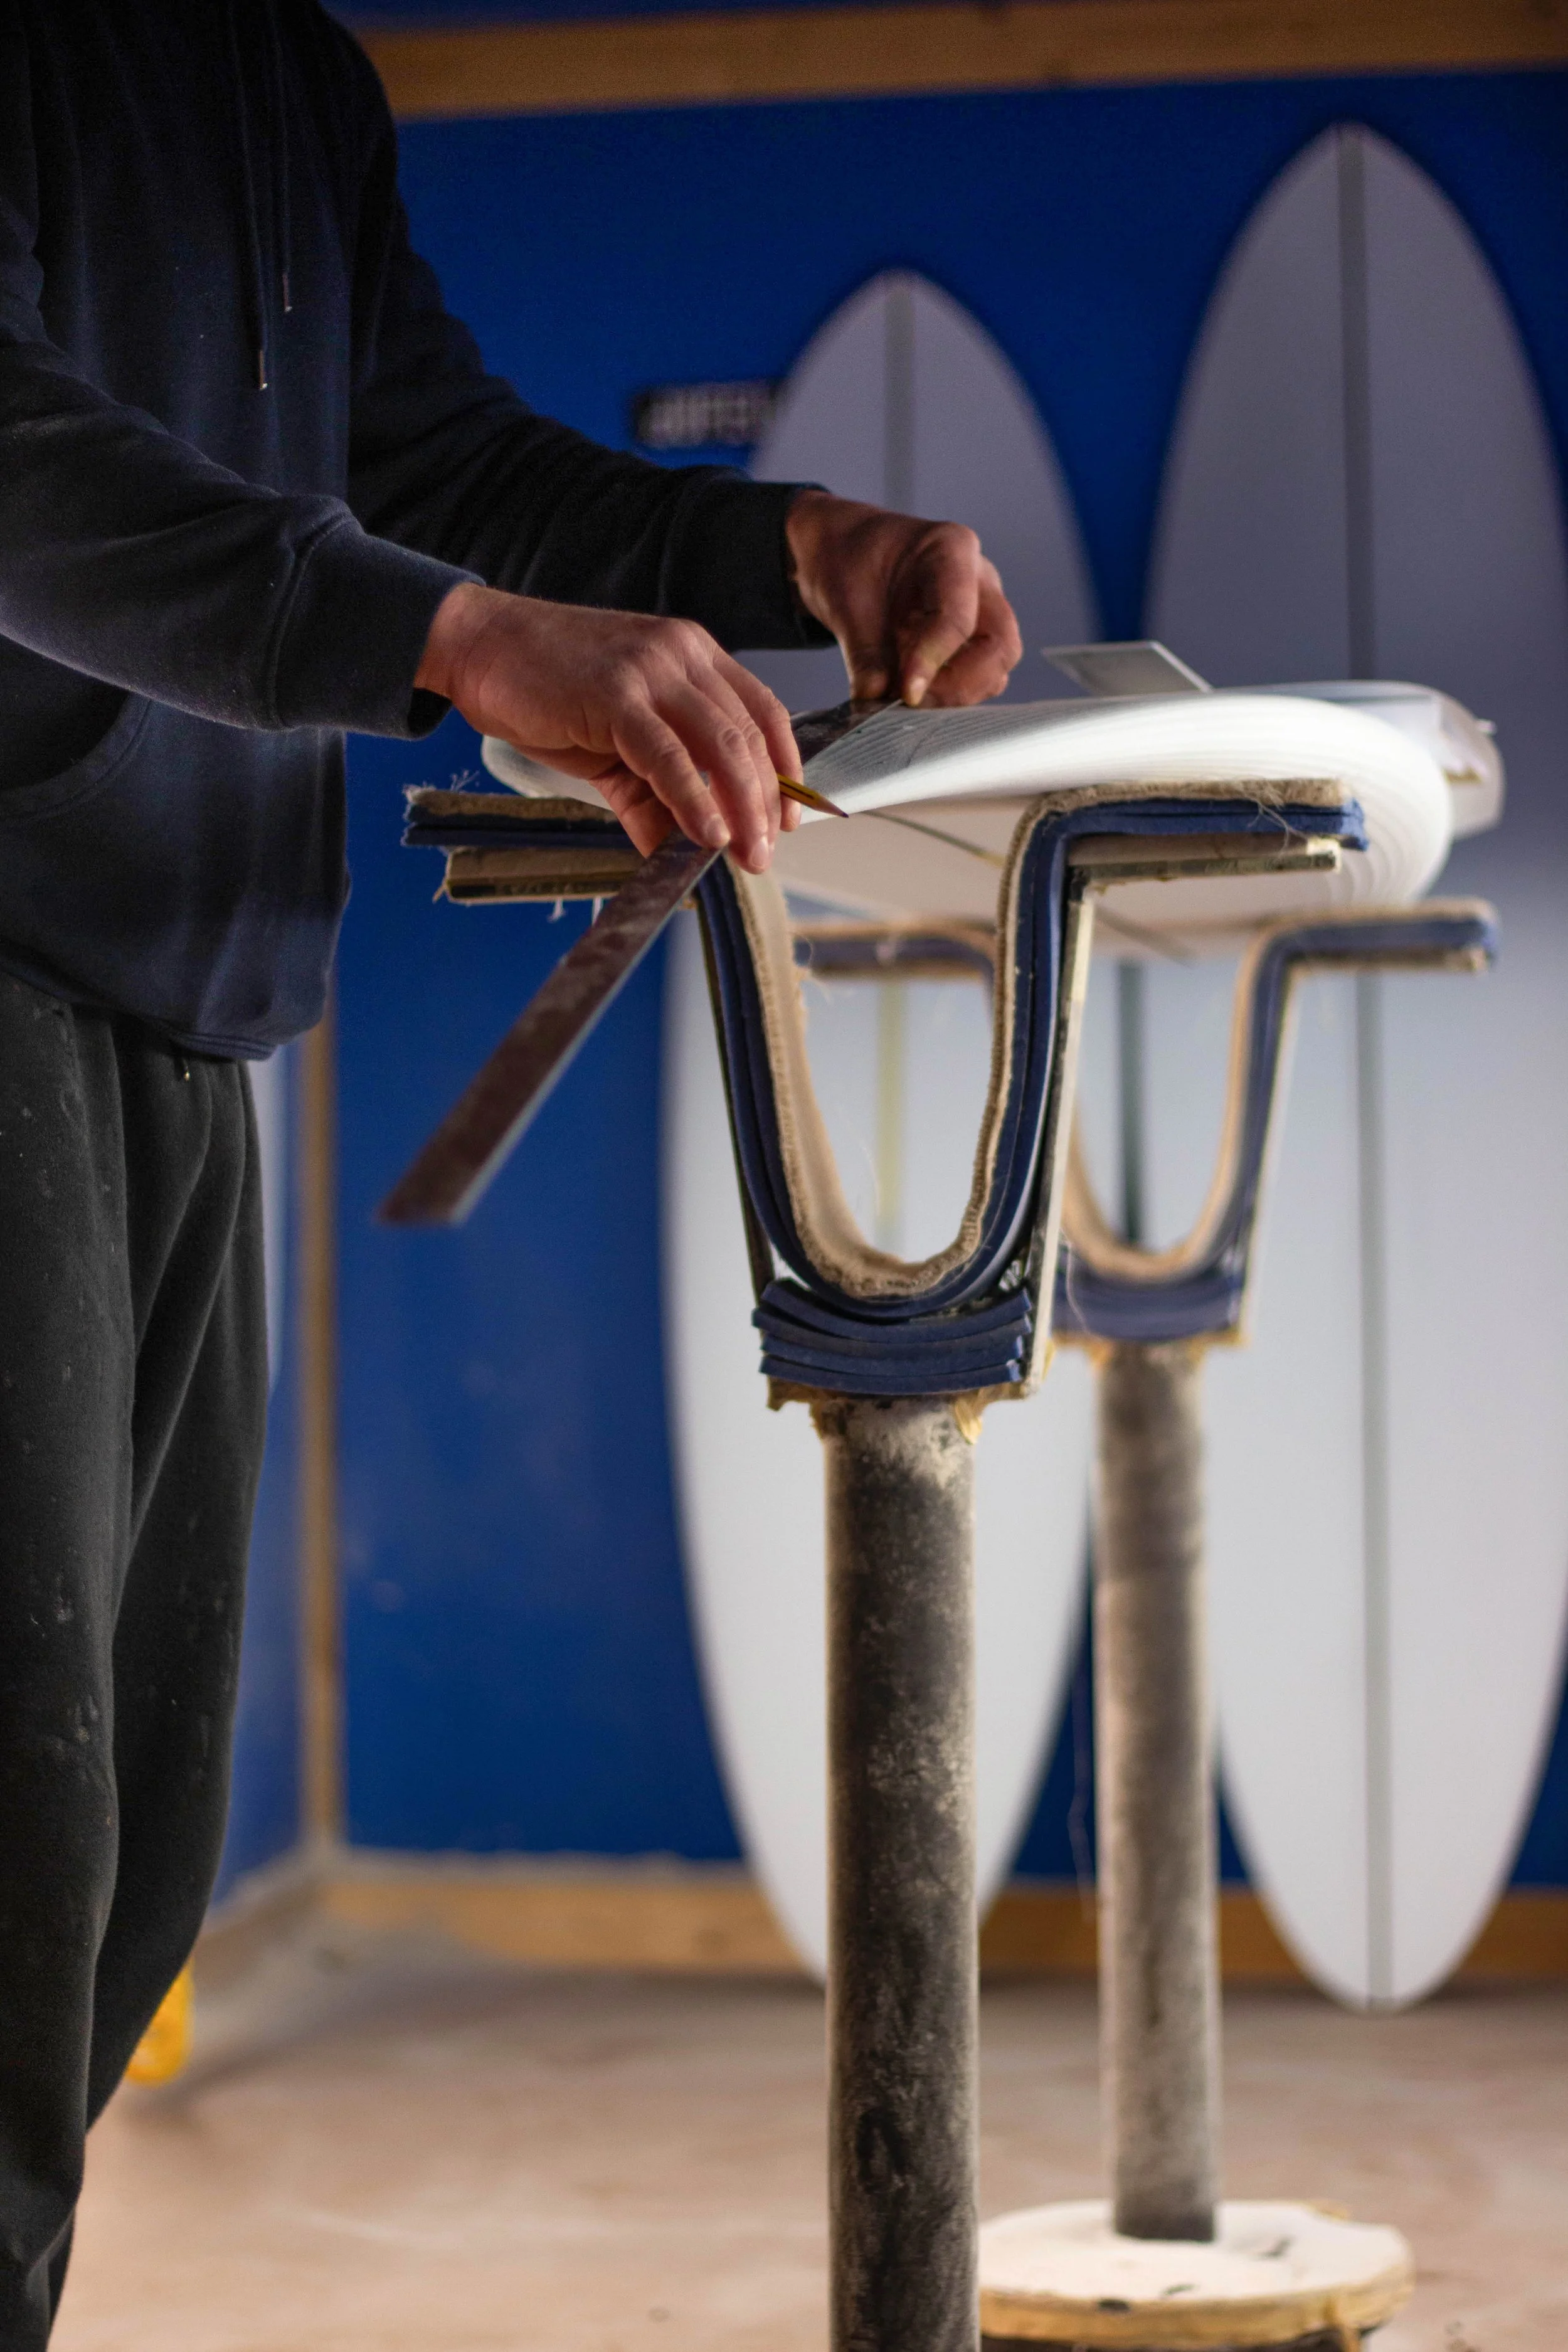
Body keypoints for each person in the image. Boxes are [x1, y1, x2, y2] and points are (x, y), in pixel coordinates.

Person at [0, 1, 1022, 2336]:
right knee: (11, 1862)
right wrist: (450, 640)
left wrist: (784, 543)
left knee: (108, 1888)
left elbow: (426, 454)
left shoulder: (276, 71)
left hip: (178, 985)